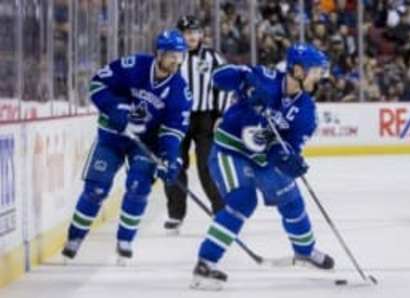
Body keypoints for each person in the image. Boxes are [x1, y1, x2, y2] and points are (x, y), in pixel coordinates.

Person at [191, 43, 335, 290]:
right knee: (242, 201)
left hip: (264, 158)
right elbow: (219, 77)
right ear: (298, 71)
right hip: (231, 150)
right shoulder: (262, 77)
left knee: (291, 200)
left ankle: (304, 251)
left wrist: (288, 159)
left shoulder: (307, 111)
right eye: (315, 71)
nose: (319, 77)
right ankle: (205, 263)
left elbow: (287, 147)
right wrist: (247, 87)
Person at [62, 29, 192, 260]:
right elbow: (97, 85)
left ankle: (125, 240)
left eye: (180, 56)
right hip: (112, 136)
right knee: (96, 189)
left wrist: (170, 157)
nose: (176, 60)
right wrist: (116, 109)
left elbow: (174, 128)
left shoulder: (180, 89)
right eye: (172, 55)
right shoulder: (133, 66)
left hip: (145, 143)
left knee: (138, 186)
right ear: (159, 54)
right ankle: (74, 237)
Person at [163, 16, 230, 234]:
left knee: (207, 166)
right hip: (176, 118)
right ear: (180, 34)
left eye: (196, 31)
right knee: (174, 165)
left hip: (206, 120)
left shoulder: (213, 57)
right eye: (187, 32)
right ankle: (175, 214)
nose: (192, 36)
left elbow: (227, 85)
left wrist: (221, 114)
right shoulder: (170, 57)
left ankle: (221, 210)